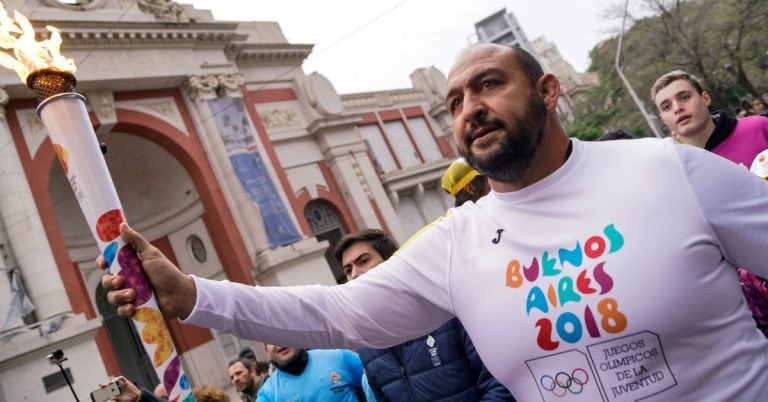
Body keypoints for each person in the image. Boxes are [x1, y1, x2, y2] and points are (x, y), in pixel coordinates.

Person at [102, 44, 768, 401]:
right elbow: (334, 314)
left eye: (487, 85)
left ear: (547, 92)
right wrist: (193, 295)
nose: (469, 109)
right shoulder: (458, 242)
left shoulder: (669, 169)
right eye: (453, 101)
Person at [334, 229, 514, 401]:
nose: (355, 274)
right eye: (348, 270)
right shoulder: (368, 346)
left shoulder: (446, 310)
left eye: (363, 261)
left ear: (391, 262)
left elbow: (500, 384)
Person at [651, 69, 768, 335]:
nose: (678, 108)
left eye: (684, 97)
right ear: (663, 120)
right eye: (667, 106)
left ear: (705, 98)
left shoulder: (758, 128)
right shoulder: (672, 171)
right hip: (747, 302)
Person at [256, 344, 365, 401]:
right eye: (270, 339)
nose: (279, 343)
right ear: (266, 350)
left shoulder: (339, 357)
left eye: (281, 334)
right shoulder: (268, 394)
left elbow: (377, 381)